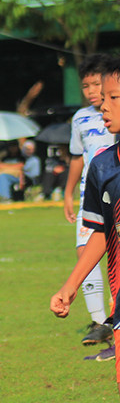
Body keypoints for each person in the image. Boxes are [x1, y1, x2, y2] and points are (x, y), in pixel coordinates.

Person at [51, 57, 120, 393]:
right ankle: (102, 325)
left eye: (113, 97)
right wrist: (69, 286)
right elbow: (102, 233)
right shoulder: (104, 166)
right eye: (99, 95)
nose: (102, 104)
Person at [63, 53, 118, 355]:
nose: (93, 92)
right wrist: (69, 193)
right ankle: (101, 324)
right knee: (87, 254)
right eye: (86, 86)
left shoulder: (115, 117)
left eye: (98, 84)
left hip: (115, 196)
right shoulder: (81, 119)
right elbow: (76, 158)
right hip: (92, 199)